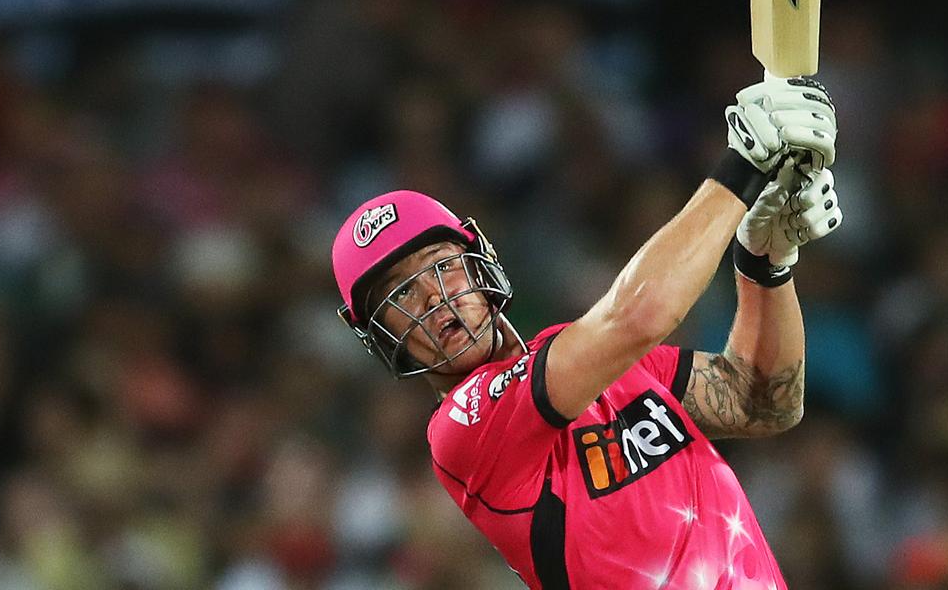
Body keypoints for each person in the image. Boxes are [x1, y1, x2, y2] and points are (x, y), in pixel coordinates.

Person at [331, 75, 844, 589]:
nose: (433, 298)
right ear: (379, 335)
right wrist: (744, 166)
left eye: (440, 266)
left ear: (477, 260)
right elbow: (638, 317)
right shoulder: (462, 431)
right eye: (400, 296)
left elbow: (762, 401)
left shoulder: (594, 354)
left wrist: (764, 265)